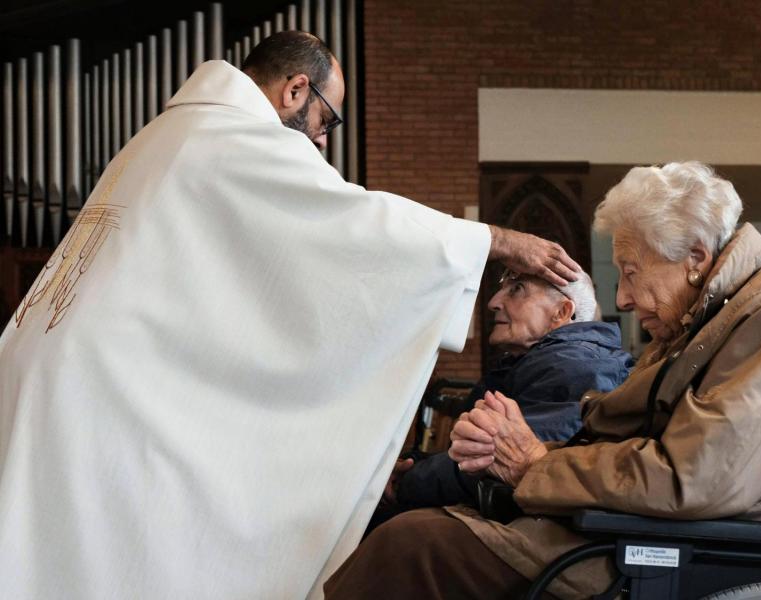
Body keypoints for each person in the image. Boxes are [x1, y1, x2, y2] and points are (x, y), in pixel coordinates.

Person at [0, 31, 580, 600]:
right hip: (103, 387)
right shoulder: (233, 137)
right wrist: (495, 241)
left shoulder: (174, 132)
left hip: (64, 369)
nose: (325, 142)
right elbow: (353, 222)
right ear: (296, 91)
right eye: (328, 120)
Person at [324, 162, 761, 600]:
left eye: (631, 270)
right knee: (418, 533)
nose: (620, 299)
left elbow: (695, 478)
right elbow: (627, 435)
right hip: (630, 526)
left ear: (694, 258)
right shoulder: (711, 309)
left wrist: (535, 462)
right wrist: (514, 451)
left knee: (414, 546)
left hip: (674, 547)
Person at [376, 269, 633, 519]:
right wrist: (410, 464)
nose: (493, 302)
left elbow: (492, 462)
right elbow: (470, 454)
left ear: (562, 312)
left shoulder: (577, 368)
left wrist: (404, 483)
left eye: (517, 289)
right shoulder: (540, 362)